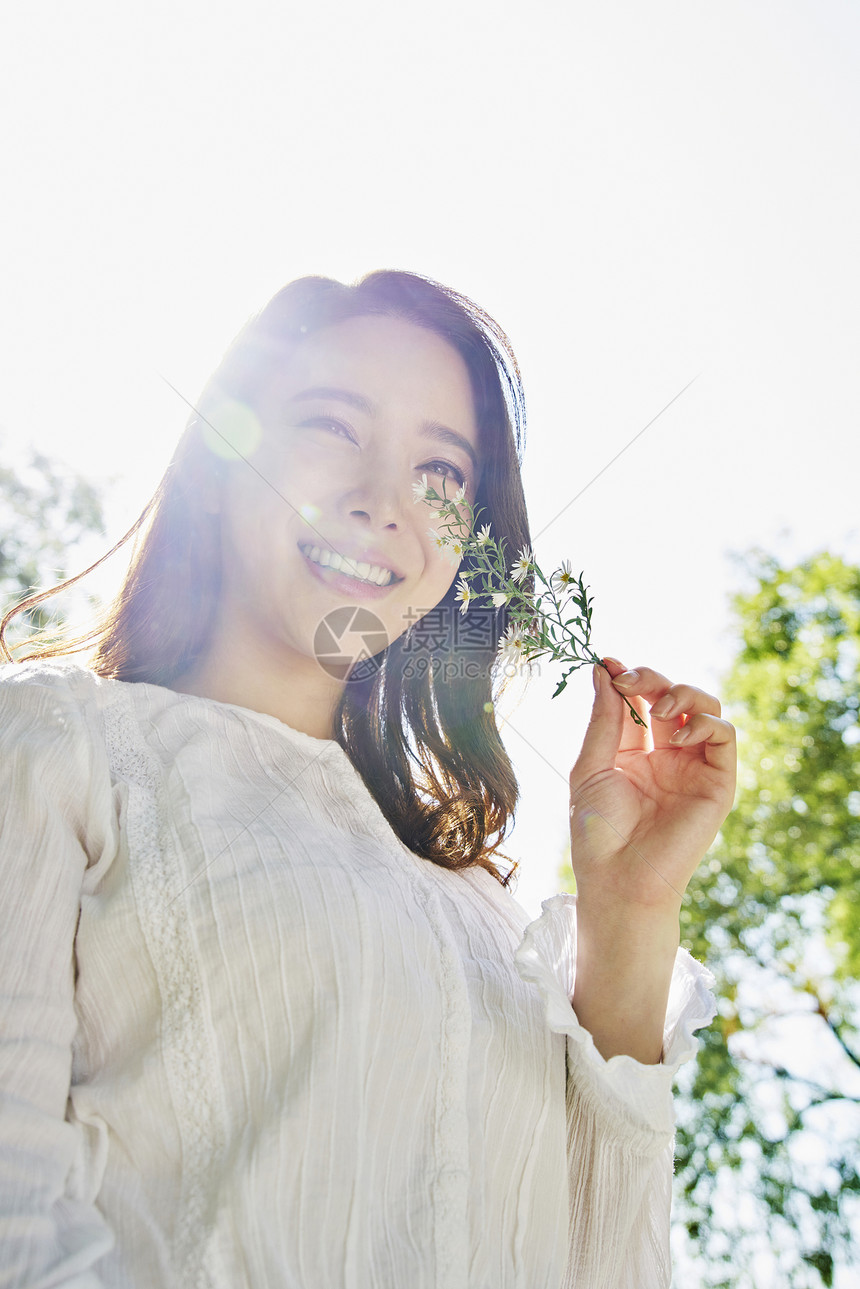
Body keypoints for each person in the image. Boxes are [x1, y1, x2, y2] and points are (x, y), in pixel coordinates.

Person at [0, 270, 736, 1288]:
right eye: (332, 428)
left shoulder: (478, 907)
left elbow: (606, 1269)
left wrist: (631, 909)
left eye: (440, 471)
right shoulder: (51, 746)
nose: (384, 503)